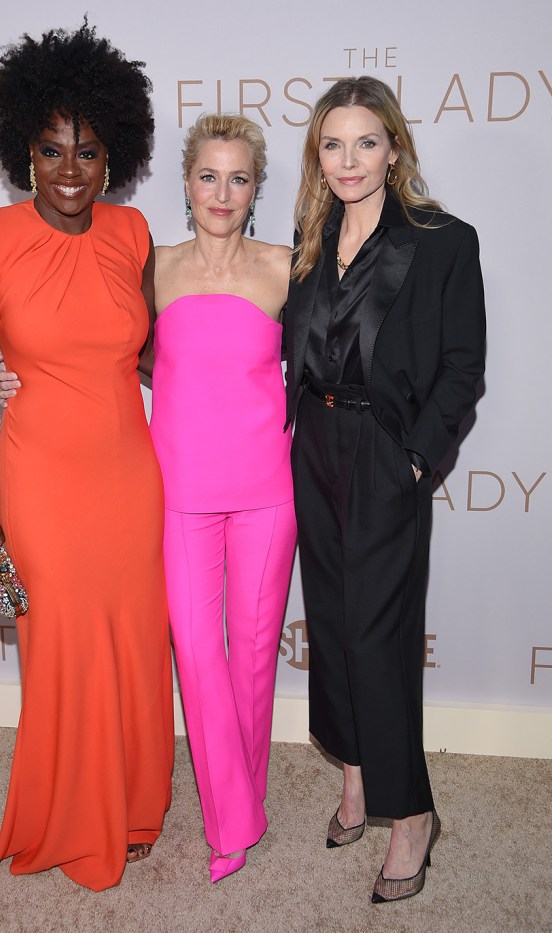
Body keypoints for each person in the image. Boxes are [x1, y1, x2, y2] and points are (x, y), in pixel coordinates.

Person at [0, 113, 297, 883]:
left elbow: (335, 362)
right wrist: (20, 376)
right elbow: (104, 346)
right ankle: (233, 814)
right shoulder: (151, 263)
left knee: (254, 657)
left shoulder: (287, 267)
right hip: (177, 488)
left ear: (256, 188)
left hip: (267, 488)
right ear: (186, 184)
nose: (221, 193)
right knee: (196, 657)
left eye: (238, 178)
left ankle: (240, 809)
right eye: (208, 176)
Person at [0, 21, 173, 892]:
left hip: (129, 470)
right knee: (53, 637)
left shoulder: (132, 232)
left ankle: (133, 802)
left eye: (86, 151)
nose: (70, 170)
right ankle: (67, 809)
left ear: (111, 155)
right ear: (23, 155)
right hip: (38, 480)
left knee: (130, 640)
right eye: (51, 151)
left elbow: (155, 355)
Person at [284, 76, 486, 902]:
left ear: (394, 147)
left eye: (366, 142)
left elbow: (462, 368)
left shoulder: (442, 240)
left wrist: (415, 458)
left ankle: (410, 816)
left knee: (379, 635)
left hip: (382, 447)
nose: (350, 160)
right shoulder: (309, 233)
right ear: (318, 156)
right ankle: (358, 778)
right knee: (330, 622)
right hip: (313, 445)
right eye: (333, 144)